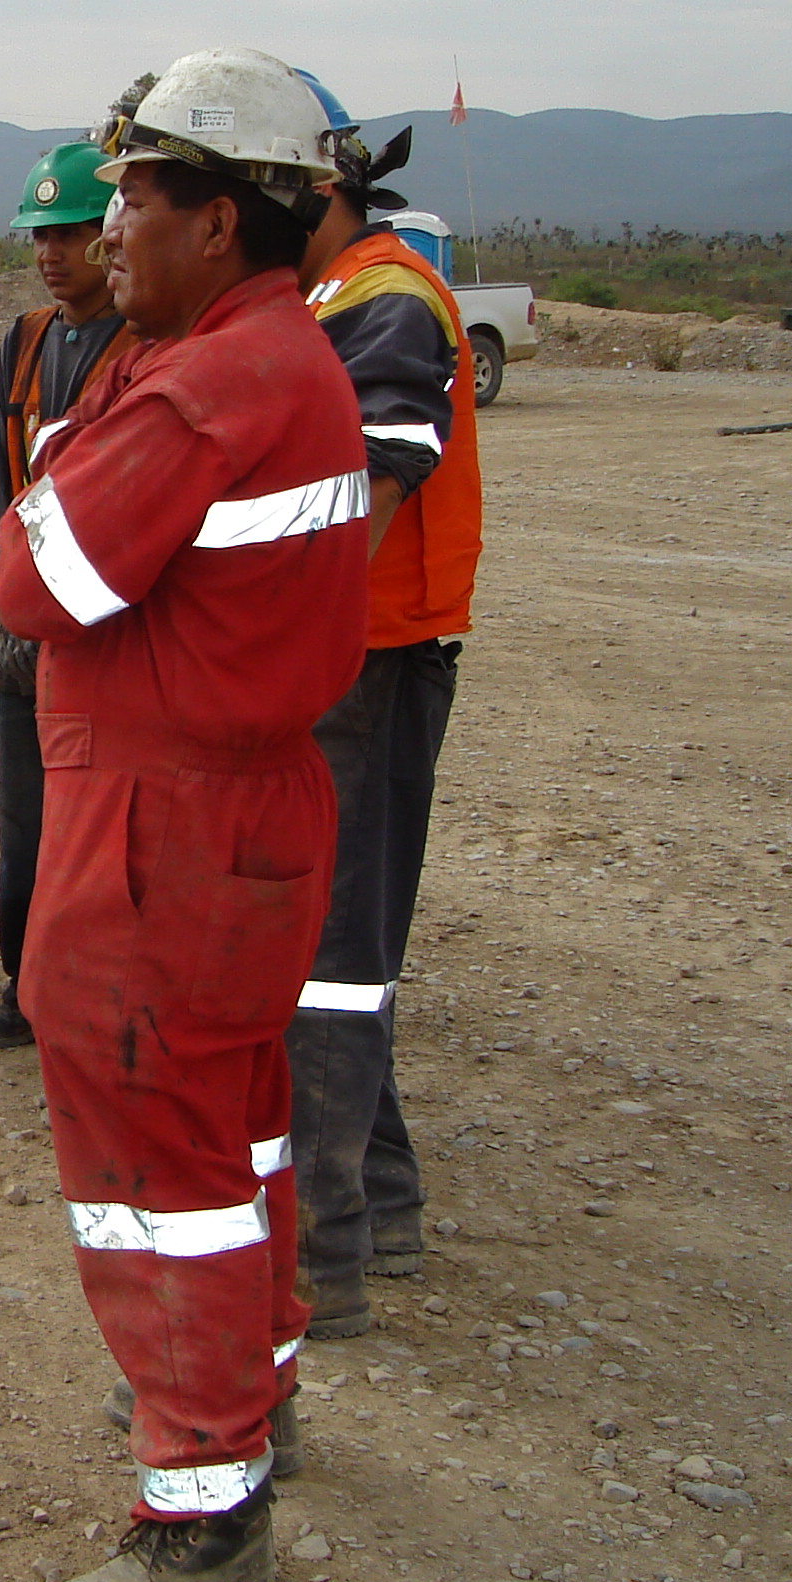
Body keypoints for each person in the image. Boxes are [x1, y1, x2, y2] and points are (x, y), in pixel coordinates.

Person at [0, 48, 366, 1582]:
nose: (113, 224)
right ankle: (249, 1394)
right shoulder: (274, 355)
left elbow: (34, 580)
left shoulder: (206, 383)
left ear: (224, 219)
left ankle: (202, 1511)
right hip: (243, 813)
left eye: (140, 196)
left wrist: (53, 476)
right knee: (239, 1128)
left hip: (160, 829)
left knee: (160, 1169)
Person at [281, 76, 484, 1333]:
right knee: (331, 936)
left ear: (304, 188)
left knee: (336, 956)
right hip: (345, 656)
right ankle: (383, 1196)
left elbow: (371, 479)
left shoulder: (385, 298)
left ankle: (331, 1251)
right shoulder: (327, 294)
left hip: (371, 656)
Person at [0, 140, 142, 1051]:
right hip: (23, 619)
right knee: (24, 813)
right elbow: (5, 470)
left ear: (107, 236)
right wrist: (6, 562)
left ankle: (97, 996)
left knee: (102, 820)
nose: (51, 253)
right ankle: (26, 989)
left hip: (99, 624)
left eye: (68, 232)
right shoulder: (25, 339)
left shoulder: (147, 343)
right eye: (39, 236)